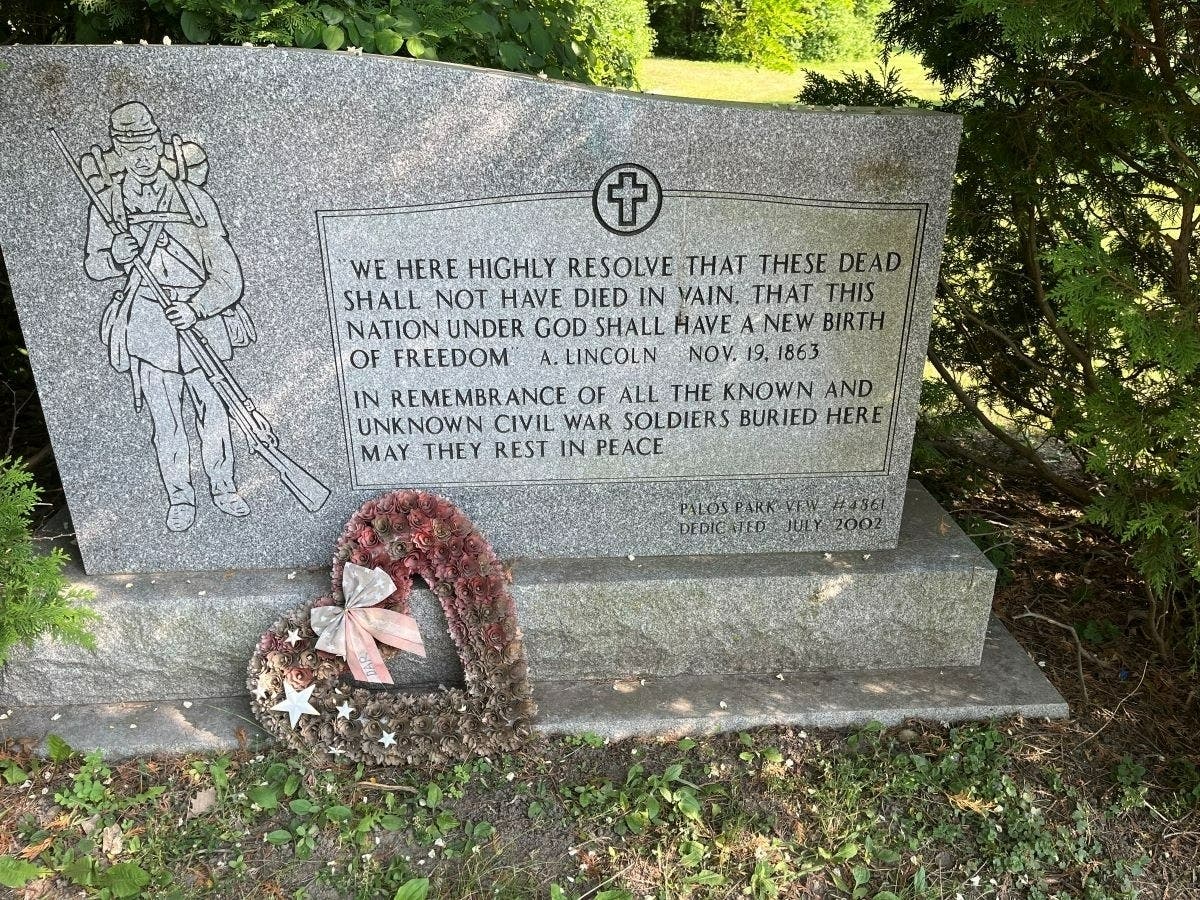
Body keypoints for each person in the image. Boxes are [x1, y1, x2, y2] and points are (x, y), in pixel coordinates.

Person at [83, 101, 255, 532]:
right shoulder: (107, 206)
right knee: (167, 422)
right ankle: (180, 497)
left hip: (200, 321)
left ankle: (223, 486)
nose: (141, 156)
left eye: (147, 144)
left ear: (159, 144)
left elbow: (228, 272)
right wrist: (116, 257)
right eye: (130, 147)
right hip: (147, 326)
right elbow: (93, 264)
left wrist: (197, 307)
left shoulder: (195, 201)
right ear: (117, 153)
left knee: (214, 413)